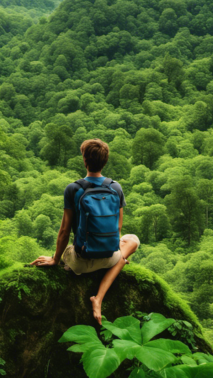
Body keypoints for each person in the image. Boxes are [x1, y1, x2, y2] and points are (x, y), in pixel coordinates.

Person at [31, 138, 140, 325]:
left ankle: (69, 266)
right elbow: (118, 227)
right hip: (109, 258)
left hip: (80, 262)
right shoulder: (116, 187)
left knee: (70, 252)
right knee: (133, 240)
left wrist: (55, 259)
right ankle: (98, 298)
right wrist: (111, 248)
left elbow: (65, 230)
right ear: (105, 161)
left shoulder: (73, 189)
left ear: (84, 160)